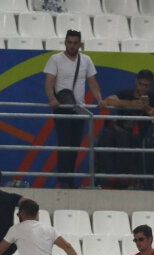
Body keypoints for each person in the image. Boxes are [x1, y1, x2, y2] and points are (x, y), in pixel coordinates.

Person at [43, 30, 101, 188]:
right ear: (65, 42)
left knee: (74, 145)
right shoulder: (55, 59)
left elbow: (92, 82)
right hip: (62, 107)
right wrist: (53, 99)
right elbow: (49, 83)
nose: (72, 46)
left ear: (80, 44)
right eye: (69, 42)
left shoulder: (86, 60)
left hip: (79, 109)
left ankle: (69, 179)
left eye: (75, 43)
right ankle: (64, 179)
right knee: (65, 144)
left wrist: (99, 99)